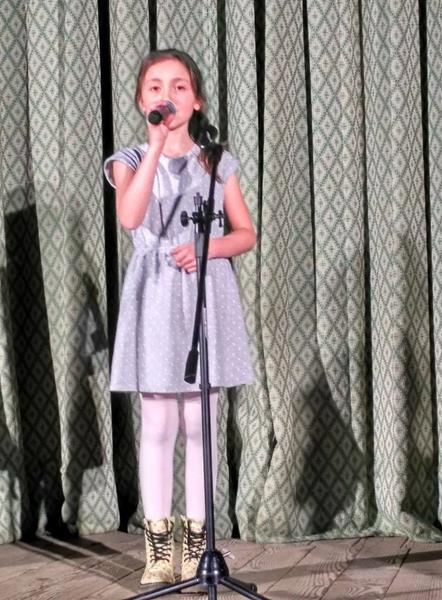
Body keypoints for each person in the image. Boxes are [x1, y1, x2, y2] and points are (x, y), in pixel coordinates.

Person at [104, 48, 255, 587]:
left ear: (197, 101)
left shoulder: (216, 161)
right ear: (141, 100)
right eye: (155, 87)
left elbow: (245, 233)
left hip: (204, 295)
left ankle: (197, 544)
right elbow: (130, 216)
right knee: (159, 423)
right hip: (154, 294)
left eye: (179, 87)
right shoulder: (127, 159)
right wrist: (154, 146)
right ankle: (157, 548)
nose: (166, 95)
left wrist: (209, 247)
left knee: (199, 424)